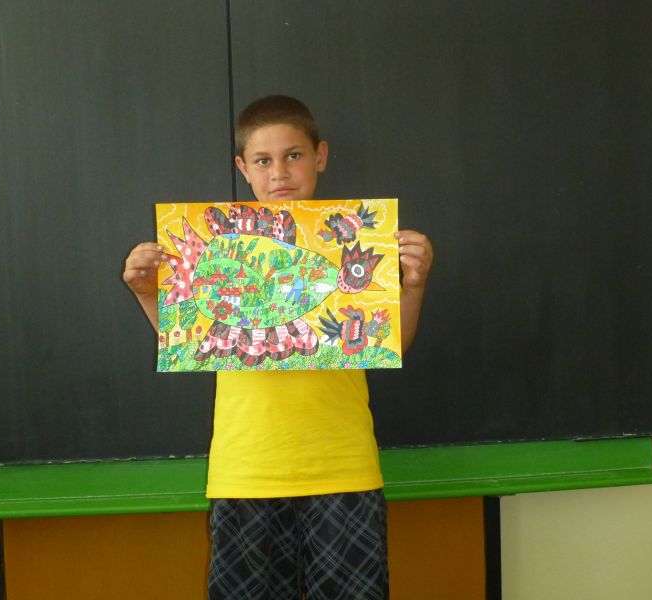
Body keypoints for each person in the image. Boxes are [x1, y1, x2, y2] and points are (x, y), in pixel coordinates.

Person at [123, 95, 433, 600]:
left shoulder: (358, 241)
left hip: (342, 465)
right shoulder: (214, 248)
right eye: (263, 161)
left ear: (320, 156)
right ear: (243, 168)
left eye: (294, 155)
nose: (280, 173)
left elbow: (391, 342)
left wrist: (413, 284)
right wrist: (147, 293)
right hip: (248, 469)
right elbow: (195, 342)